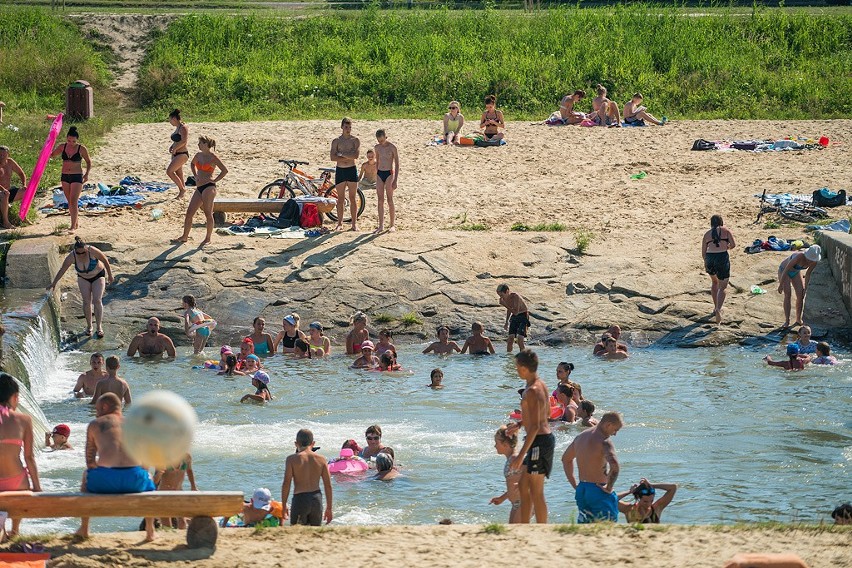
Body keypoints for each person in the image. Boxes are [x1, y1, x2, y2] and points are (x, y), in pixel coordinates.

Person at [78, 393, 156, 541]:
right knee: (149, 476)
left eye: (97, 408)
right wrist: (141, 472)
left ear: (104, 406)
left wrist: (100, 471)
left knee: (85, 475)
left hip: (105, 481)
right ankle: (150, 530)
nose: (96, 412)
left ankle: (85, 528)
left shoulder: (96, 424)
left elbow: (89, 461)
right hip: (134, 480)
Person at [505, 350, 553, 524]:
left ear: (524, 368)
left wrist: (521, 455)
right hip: (540, 440)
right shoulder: (540, 384)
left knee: (536, 490)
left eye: (517, 367)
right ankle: (524, 527)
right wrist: (519, 424)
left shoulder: (532, 390)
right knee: (524, 487)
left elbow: (536, 426)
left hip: (539, 442)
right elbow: (545, 413)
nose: (516, 369)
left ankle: (541, 528)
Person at [561, 411, 623, 523]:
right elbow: (615, 467)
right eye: (615, 430)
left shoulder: (580, 437)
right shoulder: (604, 441)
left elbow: (566, 459)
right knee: (606, 528)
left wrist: (575, 485)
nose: (615, 434)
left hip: (582, 490)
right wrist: (609, 487)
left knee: (586, 529)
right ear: (608, 425)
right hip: (599, 490)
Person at [0, 373, 41, 539]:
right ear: (15, 397)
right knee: (22, 475)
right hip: (16, 482)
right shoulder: (24, 420)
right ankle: (15, 531)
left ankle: (2, 529)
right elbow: (29, 457)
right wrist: (37, 487)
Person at [47, 237, 113, 338]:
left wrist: (110, 275)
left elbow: (105, 260)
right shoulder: (72, 256)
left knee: (97, 300)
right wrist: (54, 282)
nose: (81, 255)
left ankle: (99, 327)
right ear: (75, 251)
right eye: (79, 253)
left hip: (98, 276)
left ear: (86, 248)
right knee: (86, 301)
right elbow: (63, 269)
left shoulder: (92, 251)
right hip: (83, 278)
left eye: (83, 252)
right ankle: (89, 326)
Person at [175, 135, 227, 247]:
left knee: (208, 213)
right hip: (199, 187)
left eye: (200, 143)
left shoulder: (213, 157)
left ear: (205, 145)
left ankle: (208, 238)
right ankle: (185, 236)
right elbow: (192, 164)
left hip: (209, 187)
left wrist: (215, 179)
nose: (198, 145)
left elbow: (224, 170)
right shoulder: (198, 155)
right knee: (189, 213)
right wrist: (194, 175)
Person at [281, 429, 333, 526]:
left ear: (296, 444)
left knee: (297, 532)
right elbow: (328, 485)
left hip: (300, 499)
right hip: (316, 499)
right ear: (313, 443)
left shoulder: (291, 459)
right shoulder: (321, 459)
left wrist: (284, 506)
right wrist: (329, 508)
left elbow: (286, 483)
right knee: (315, 533)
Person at [50, 126, 91, 232]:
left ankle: (72, 226)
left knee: (73, 201)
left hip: (76, 175)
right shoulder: (62, 147)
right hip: (65, 176)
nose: (71, 143)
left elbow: (88, 161)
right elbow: (52, 155)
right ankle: (75, 222)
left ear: (77, 140)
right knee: (69, 201)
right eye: (69, 140)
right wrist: (48, 146)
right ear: (66, 138)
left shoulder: (81, 148)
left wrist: (86, 174)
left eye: (73, 141)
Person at [702, 215, 736, 324]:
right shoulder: (726, 231)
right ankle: (718, 309)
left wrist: (706, 262)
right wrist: (727, 247)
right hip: (721, 257)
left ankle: (715, 306)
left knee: (714, 282)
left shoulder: (707, 234)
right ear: (721, 222)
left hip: (710, 258)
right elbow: (733, 245)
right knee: (723, 286)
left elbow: (703, 252)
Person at [777, 245, 821, 328]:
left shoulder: (814, 262)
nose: (810, 262)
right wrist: (780, 285)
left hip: (796, 272)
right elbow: (786, 269)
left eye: (812, 260)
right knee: (788, 294)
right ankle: (787, 320)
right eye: (809, 259)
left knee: (801, 295)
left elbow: (808, 274)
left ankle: (798, 319)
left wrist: (806, 288)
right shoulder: (799, 256)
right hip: (784, 271)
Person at [330, 117, 361, 231]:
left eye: (350, 127)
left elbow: (355, 156)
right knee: (341, 198)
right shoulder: (336, 141)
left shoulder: (355, 140)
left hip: (351, 169)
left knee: (352, 197)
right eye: (346, 127)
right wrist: (348, 155)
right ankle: (339, 223)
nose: (348, 129)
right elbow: (333, 157)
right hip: (341, 170)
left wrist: (341, 154)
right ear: (342, 127)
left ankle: (354, 223)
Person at [154, 452, 197, 529]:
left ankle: (181, 539)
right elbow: (155, 481)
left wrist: (193, 486)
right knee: (167, 524)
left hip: (179, 492)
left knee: (182, 521)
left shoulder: (187, 456)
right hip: (164, 494)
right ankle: (167, 538)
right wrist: (159, 473)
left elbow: (189, 471)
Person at [489, 425, 522, 523]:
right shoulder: (510, 459)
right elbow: (513, 486)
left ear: (505, 444)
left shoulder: (515, 459)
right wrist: (502, 498)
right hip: (516, 503)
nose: (495, 446)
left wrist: (522, 484)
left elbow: (531, 474)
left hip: (524, 502)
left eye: (496, 443)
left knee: (516, 531)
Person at [373, 129, 399, 233]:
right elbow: (377, 161)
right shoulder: (377, 147)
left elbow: (397, 164)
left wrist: (395, 179)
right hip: (380, 173)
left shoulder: (392, 147)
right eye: (379, 141)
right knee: (380, 200)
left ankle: (392, 224)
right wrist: (376, 174)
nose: (381, 143)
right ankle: (381, 225)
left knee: (389, 199)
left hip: (389, 173)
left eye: (382, 140)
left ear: (386, 137)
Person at [497, 284, 530, 352]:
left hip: (523, 315)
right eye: (499, 295)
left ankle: (523, 357)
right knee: (510, 339)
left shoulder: (515, 297)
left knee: (520, 339)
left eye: (502, 295)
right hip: (515, 316)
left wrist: (504, 305)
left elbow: (516, 312)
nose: (501, 297)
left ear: (507, 291)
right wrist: (506, 322)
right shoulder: (504, 298)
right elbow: (509, 310)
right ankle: (508, 358)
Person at [0, 145, 26, 230]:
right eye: (0, 154)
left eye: (4, 154)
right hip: (2, 193)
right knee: (5, 194)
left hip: (8, 190)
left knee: (26, 192)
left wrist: (24, 185)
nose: (2, 156)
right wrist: (3, 189)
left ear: (8, 154)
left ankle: (23, 216)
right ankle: (5, 222)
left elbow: (21, 173)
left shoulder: (10, 162)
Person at [166, 109, 189, 198]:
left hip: (182, 154)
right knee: (179, 174)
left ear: (174, 118)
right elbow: (177, 140)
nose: (170, 122)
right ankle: (182, 192)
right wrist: (172, 146)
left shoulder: (183, 127)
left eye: (170, 119)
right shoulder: (178, 128)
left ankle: (182, 189)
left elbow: (184, 141)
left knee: (169, 171)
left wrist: (175, 148)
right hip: (176, 153)